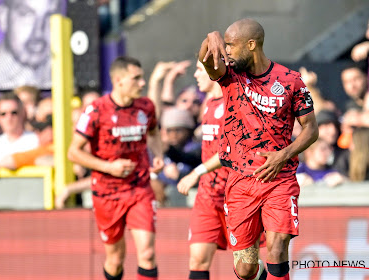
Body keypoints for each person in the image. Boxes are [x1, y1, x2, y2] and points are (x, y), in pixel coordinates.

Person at [199, 18, 318, 280]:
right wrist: (212, 37)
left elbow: (311, 129)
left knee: (276, 251)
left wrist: (283, 155)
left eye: (231, 45)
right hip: (241, 181)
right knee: (246, 268)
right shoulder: (229, 76)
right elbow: (208, 60)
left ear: (251, 44)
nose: (227, 51)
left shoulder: (291, 81)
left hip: (280, 178)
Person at [68, 56, 164, 280]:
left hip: (139, 187)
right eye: (136, 78)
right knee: (115, 258)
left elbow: (153, 132)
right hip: (107, 193)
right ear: (119, 80)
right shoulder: (96, 110)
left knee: (148, 253)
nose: (142, 83)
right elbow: (73, 152)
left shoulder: (146, 107)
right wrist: (108, 167)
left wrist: (157, 155)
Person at [177, 60, 267, 280]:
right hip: (208, 194)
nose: (196, 75)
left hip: (235, 193)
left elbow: (230, 150)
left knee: (246, 267)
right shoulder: (209, 103)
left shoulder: (236, 104)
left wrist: (196, 172)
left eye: (200, 70)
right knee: (197, 260)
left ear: (213, 71)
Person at [0, 0, 62, 90]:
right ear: (3, 17)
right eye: (26, 14)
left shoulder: (64, 77)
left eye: (49, 15)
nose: (38, 32)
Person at [0, 92, 39, 166]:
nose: (9, 118)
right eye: (3, 114)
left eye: (14, 112)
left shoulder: (36, 140)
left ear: (23, 114)